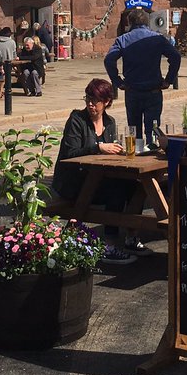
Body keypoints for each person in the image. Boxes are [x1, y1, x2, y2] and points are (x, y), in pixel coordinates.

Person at [52, 78, 140, 264]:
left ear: (107, 102)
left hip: (95, 178)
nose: (91, 105)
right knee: (116, 190)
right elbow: (71, 153)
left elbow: (107, 153)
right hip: (73, 181)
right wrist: (99, 147)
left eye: (95, 101)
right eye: (88, 99)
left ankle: (132, 235)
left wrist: (117, 151)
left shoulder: (109, 122)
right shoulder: (77, 119)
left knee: (134, 185)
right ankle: (108, 244)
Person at [105, 7, 181, 140]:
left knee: (134, 130)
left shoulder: (123, 40)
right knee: (153, 129)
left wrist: (117, 81)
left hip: (133, 90)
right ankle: (152, 150)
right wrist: (169, 79)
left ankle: (137, 152)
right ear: (147, 22)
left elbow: (109, 60)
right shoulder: (157, 38)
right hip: (153, 90)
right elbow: (175, 57)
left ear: (129, 22)